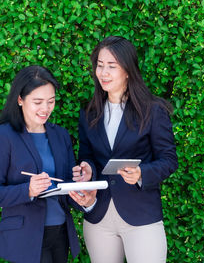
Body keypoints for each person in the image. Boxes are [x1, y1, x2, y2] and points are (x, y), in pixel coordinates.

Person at [71, 36, 178, 263]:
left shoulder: (152, 110)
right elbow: (87, 156)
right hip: (98, 217)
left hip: (141, 216)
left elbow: (169, 160)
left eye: (112, 66)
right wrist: (86, 168)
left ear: (128, 70)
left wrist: (141, 174)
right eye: (100, 65)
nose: (103, 73)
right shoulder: (89, 112)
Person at [0, 65, 96, 263]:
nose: (46, 109)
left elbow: (66, 190)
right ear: (19, 99)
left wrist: (85, 197)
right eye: (38, 102)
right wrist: (28, 190)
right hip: (25, 239)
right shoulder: (2, 137)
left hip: (60, 235)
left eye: (51, 101)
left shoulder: (60, 135)